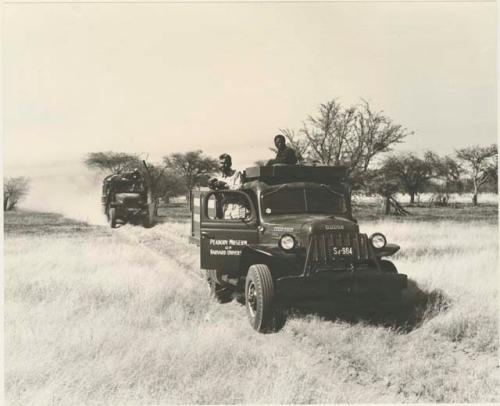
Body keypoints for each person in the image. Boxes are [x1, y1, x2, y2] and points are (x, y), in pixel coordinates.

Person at [209, 154, 247, 219]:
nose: (223, 165)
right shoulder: (220, 177)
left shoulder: (236, 174)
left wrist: (225, 185)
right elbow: (218, 195)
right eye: (221, 163)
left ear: (230, 164)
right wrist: (212, 186)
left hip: (237, 206)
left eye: (225, 163)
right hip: (226, 207)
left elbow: (239, 188)